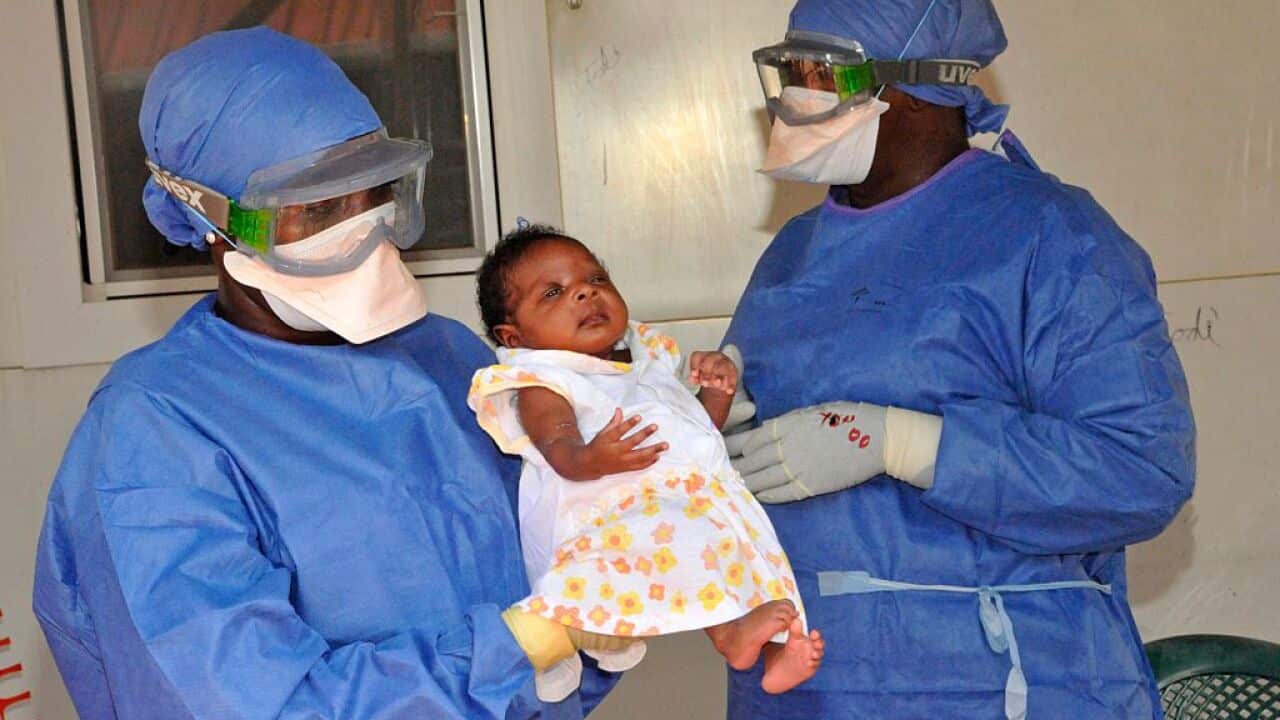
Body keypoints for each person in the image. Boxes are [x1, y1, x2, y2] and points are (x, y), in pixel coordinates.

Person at [32, 28, 617, 719]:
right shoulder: (153, 429)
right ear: (215, 222)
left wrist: (600, 625)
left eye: (374, 191)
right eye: (318, 208)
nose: (365, 228)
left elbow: (563, 569)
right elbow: (244, 701)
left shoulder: (450, 358)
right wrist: (516, 651)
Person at [722, 1, 1197, 718]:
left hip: (996, 683)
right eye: (787, 70)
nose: (793, 96)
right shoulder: (793, 255)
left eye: (817, 72)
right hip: (810, 686)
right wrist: (711, 435)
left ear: (910, 92)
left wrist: (903, 442)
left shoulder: (1052, 239)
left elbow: (1142, 471)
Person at [467, 226, 825, 701]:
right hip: (607, 515)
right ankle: (725, 634)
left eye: (596, 278)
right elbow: (560, 450)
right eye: (553, 292)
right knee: (690, 545)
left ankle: (768, 647)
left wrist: (714, 395)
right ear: (515, 335)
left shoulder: (647, 359)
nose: (585, 291)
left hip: (690, 498)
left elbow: (691, 432)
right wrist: (593, 456)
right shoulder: (543, 380)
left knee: (753, 557)